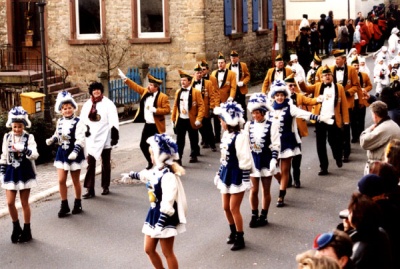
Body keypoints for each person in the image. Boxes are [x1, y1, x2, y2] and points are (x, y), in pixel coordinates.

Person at [120, 134, 187, 269]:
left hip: (165, 216)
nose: (151, 157)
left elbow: (168, 202)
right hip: (153, 213)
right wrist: (132, 174)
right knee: (149, 249)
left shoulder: (168, 176)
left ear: (159, 156)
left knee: (167, 252)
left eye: (152, 154)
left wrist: (161, 223)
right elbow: (147, 176)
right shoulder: (157, 171)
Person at [268, 79, 330, 206]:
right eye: (277, 95)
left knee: (285, 170)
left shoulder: (290, 107)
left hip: (287, 142)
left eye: (282, 95)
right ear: (273, 96)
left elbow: (304, 114)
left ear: (285, 95)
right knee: (273, 170)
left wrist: (319, 118)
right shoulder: (269, 109)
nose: (279, 98)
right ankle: (283, 183)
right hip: (273, 144)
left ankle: (281, 195)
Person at [213, 101, 252, 251]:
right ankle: (233, 232)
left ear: (228, 121)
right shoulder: (226, 135)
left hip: (237, 174)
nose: (220, 123)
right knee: (225, 207)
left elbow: (245, 159)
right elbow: (224, 157)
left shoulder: (240, 137)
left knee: (233, 208)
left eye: (222, 120)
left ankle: (240, 237)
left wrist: (246, 179)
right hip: (226, 173)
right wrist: (219, 172)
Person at [299, 65, 350, 176]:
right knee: (320, 145)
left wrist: (345, 121)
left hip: (333, 119)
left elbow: (344, 106)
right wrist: (300, 80)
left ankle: (338, 157)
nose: (327, 77)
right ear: (321, 78)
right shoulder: (318, 86)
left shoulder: (339, 87)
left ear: (332, 76)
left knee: (334, 142)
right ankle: (324, 167)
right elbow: (306, 89)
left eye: (328, 75)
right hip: (320, 119)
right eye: (324, 75)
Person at [118, 69, 170, 169]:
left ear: (156, 87)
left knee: (159, 147)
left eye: (150, 85)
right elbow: (135, 87)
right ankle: (150, 162)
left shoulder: (163, 97)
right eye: (149, 84)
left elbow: (167, 110)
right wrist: (125, 78)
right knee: (143, 145)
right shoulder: (145, 92)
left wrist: (155, 110)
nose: (148, 87)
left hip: (157, 125)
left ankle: (164, 163)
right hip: (148, 124)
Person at [0, 106, 38, 243]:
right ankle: (16, 227)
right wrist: (2, 172)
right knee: (10, 203)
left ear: (24, 125)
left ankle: (27, 230)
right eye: (14, 126)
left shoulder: (29, 137)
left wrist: (25, 149)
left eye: (20, 126)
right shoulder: (7, 137)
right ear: (11, 125)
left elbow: (35, 154)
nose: (17, 129)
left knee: (24, 202)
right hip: (11, 172)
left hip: (24, 172)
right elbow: (4, 156)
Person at [46, 91, 86, 217]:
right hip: (62, 153)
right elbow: (58, 135)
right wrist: (52, 139)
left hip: (74, 153)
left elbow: (81, 139)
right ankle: (64, 205)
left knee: (75, 180)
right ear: (61, 110)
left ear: (74, 108)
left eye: (69, 108)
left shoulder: (79, 122)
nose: (67, 110)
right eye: (64, 108)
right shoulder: (60, 121)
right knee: (61, 180)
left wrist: (75, 151)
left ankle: (78, 203)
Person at [244, 93, 279, 228]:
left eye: (257, 113)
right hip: (254, 161)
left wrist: (273, 160)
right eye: (253, 113)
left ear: (263, 112)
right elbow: (245, 144)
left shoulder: (272, 125)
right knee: (253, 190)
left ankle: (264, 215)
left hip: (266, 160)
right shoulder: (248, 125)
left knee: (266, 190)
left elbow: (275, 144)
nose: (254, 116)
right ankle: (254, 214)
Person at [80, 82, 120, 198]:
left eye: (98, 89)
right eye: (94, 90)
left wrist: (114, 135)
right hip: (91, 137)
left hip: (105, 135)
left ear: (101, 91)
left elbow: (113, 119)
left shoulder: (108, 104)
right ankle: (89, 188)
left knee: (105, 162)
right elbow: (82, 119)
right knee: (90, 163)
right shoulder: (87, 104)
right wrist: (85, 129)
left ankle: (105, 186)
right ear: (91, 92)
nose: (96, 92)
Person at [341, 193, 393, 269]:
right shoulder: (381, 232)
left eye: (350, 212)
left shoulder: (358, 250)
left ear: (356, 219)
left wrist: (345, 231)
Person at [286, 74, 319, 188]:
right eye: (290, 86)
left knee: (297, 155)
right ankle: (287, 179)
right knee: (286, 157)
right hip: (285, 132)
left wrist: (319, 99)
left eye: (293, 85)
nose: (292, 88)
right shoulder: (280, 99)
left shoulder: (299, 96)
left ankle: (296, 178)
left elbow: (310, 101)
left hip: (297, 130)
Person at [171, 69, 205, 164]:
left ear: (189, 81)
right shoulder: (178, 92)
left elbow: (201, 106)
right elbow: (175, 106)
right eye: (181, 80)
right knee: (179, 140)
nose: (182, 82)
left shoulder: (196, 92)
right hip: (181, 119)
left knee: (193, 138)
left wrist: (199, 119)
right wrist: (173, 119)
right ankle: (179, 158)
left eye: (184, 80)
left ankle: (194, 155)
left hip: (191, 119)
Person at [360, 101, 400, 175]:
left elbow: (364, 142)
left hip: (379, 168)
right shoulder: (393, 124)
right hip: (389, 165)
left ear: (375, 115)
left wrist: (369, 130)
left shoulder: (383, 128)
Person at [211, 52, 237, 143]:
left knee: (227, 117)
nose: (220, 65)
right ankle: (217, 137)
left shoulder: (231, 74)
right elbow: (212, 87)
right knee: (216, 118)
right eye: (218, 63)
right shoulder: (213, 73)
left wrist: (231, 97)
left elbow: (233, 87)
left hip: (226, 98)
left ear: (225, 63)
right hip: (216, 100)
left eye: (221, 63)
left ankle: (230, 134)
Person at [192, 63, 218, 151]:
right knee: (199, 127)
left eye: (200, 73)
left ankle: (212, 144)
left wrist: (211, 107)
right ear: (194, 74)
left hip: (205, 108)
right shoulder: (191, 83)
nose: (199, 74)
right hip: (195, 110)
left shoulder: (208, 83)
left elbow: (212, 96)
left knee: (208, 127)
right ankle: (205, 140)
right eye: (197, 73)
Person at [350, 56, 373, 144]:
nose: (356, 67)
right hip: (352, 101)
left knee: (360, 119)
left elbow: (370, 85)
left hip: (361, 100)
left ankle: (361, 136)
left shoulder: (364, 75)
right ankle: (354, 136)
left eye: (357, 65)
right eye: (354, 65)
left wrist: (365, 89)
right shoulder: (348, 77)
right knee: (352, 119)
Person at [227, 50, 250, 121]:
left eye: (234, 58)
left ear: (238, 58)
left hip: (241, 89)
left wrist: (243, 82)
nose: (233, 60)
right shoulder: (227, 66)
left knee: (242, 106)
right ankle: (235, 123)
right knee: (233, 106)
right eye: (231, 58)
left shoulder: (243, 65)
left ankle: (245, 121)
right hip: (231, 90)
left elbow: (248, 76)